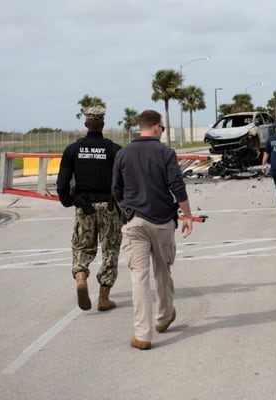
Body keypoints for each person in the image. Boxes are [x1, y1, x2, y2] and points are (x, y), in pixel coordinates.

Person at [112, 109, 193, 350]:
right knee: (162, 272)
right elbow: (176, 186)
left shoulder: (123, 153)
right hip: (161, 222)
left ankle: (142, 335)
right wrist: (187, 215)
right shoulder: (165, 153)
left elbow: (116, 189)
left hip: (133, 222)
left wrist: (126, 209)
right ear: (156, 126)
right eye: (163, 128)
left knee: (139, 278)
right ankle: (164, 316)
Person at [56, 105, 123, 312]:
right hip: (109, 206)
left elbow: (62, 182)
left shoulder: (73, 150)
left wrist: (67, 200)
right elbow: (123, 181)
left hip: (84, 206)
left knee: (82, 246)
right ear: (102, 124)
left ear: (86, 124)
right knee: (110, 250)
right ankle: (104, 297)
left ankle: (81, 278)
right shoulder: (114, 150)